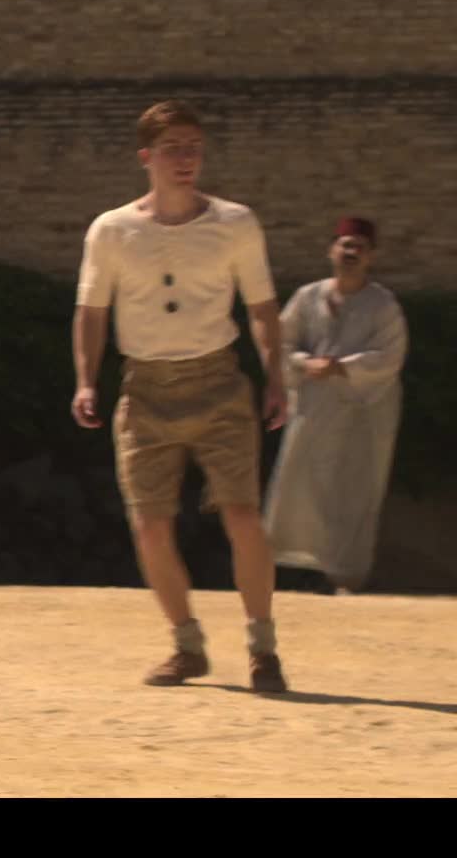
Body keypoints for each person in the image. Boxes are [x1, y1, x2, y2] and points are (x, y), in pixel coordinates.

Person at [71, 100, 290, 693]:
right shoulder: (112, 230)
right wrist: (86, 380)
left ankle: (263, 647)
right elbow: (91, 311)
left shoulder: (236, 223)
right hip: (144, 390)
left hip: (218, 382)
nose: (185, 158)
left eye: (193, 147)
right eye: (173, 148)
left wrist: (275, 379)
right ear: (146, 157)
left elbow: (262, 308)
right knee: (149, 524)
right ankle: (186, 645)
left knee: (242, 514)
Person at [265, 217, 408, 595]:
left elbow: (390, 356)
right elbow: (282, 341)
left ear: (371, 256)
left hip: (363, 413)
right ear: (332, 250)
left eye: (359, 247)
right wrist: (303, 363)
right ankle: (295, 572)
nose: (351, 253)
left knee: (355, 490)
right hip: (314, 410)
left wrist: (342, 367)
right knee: (302, 485)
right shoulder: (307, 297)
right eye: (345, 245)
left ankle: (347, 576)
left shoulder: (383, 305)